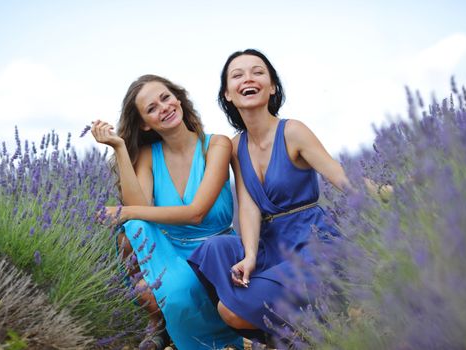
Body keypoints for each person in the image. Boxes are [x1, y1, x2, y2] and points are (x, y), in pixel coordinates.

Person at [188, 49, 351, 344]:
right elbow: (248, 206)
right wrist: (249, 255)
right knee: (214, 249)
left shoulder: (293, 131)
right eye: (237, 75)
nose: (248, 79)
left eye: (258, 72)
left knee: (231, 309)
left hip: (310, 242)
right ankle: (299, 337)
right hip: (270, 241)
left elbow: (339, 176)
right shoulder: (237, 146)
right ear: (227, 93)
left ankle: (309, 332)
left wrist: (391, 192)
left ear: (272, 86)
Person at [90, 74, 244, 350]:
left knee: (131, 219)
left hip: (217, 253)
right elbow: (138, 210)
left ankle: (185, 329)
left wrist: (124, 212)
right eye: (151, 108)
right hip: (170, 254)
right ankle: (165, 326)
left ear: (178, 99)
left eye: (165, 98)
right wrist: (120, 147)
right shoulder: (150, 156)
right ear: (145, 124)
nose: (163, 107)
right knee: (135, 227)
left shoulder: (217, 145)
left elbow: (196, 213)